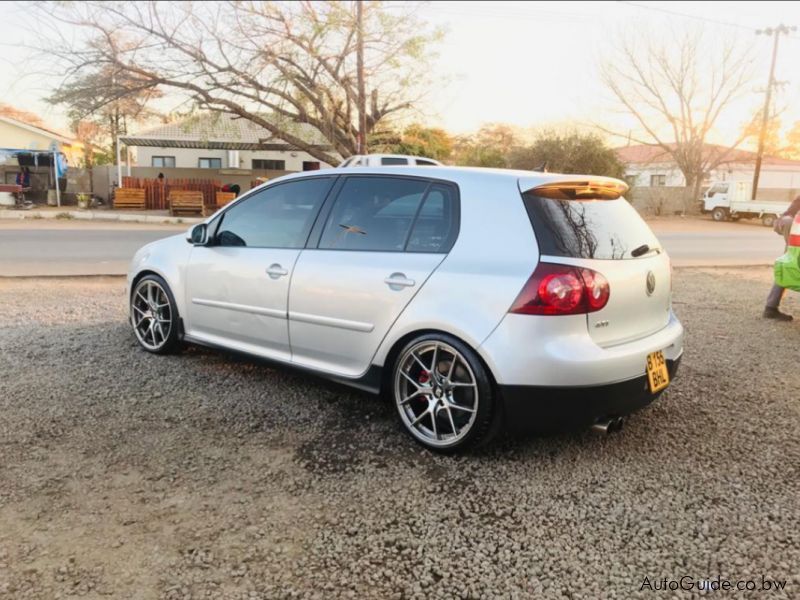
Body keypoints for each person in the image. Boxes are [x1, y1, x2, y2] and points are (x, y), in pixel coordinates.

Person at [764, 194, 800, 321]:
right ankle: (770, 308)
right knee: (791, 266)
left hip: (790, 225)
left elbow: (789, 212)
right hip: (793, 226)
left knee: (788, 266)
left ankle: (770, 307)